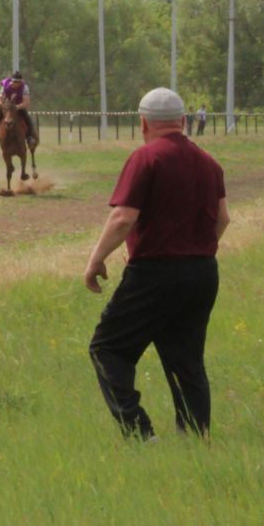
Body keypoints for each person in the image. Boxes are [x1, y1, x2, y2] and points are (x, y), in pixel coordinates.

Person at [82, 87, 231, 440]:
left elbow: (123, 218)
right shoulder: (210, 163)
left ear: (143, 122)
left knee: (108, 348)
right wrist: (195, 251)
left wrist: (95, 260)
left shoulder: (146, 159)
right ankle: (195, 438)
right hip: (203, 272)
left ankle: (140, 434)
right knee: (186, 360)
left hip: (155, 272)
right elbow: (223, 219)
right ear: (182, 120)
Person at [0, 71, 37, 149]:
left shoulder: (24, 87)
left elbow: (26, 103)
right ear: (11, 81)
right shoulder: (5, 85)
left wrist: (16, 107)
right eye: (15, 81)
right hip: (6, 107)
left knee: (27, 118)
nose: (16, 84)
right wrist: (0, 103)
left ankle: (29, 138)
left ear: (21, 81)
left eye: (18, 82)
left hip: (19, 107)